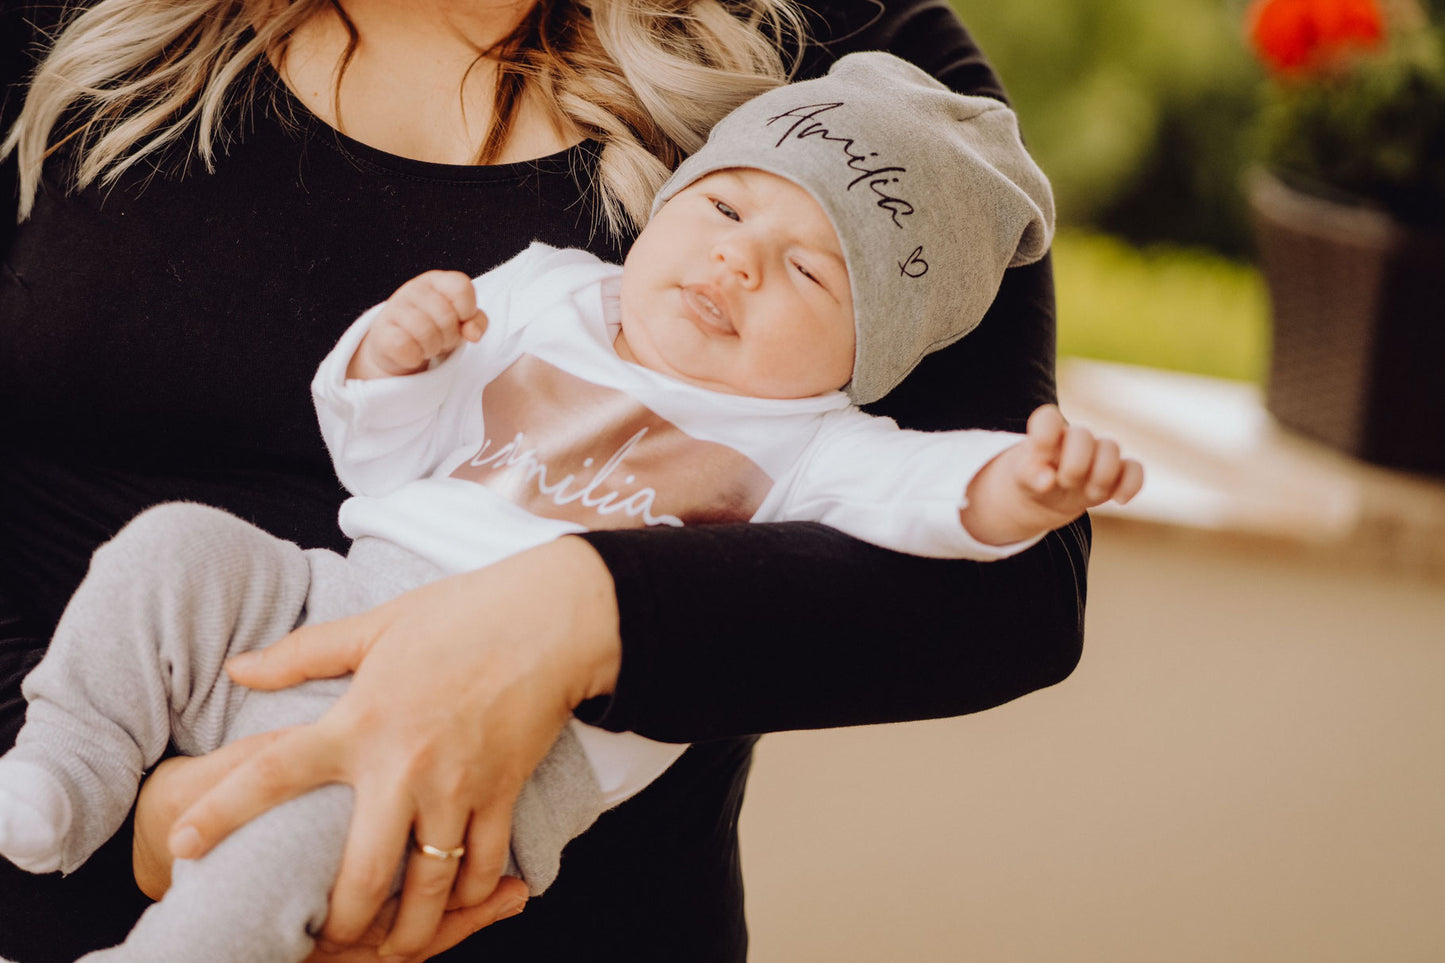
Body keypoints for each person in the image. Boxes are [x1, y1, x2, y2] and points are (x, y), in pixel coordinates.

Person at [0, 1, 1094, 960]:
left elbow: (1010, 590)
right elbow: (383, 442)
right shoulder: (554, 296)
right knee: (175, 551)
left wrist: (578, 610)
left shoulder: (874, 95)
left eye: (804, 267)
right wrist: (150, 825)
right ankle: (61, 770)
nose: (737, 263)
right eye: (718, 212)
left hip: (527, 873)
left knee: (312, 827)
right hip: (207, 705)